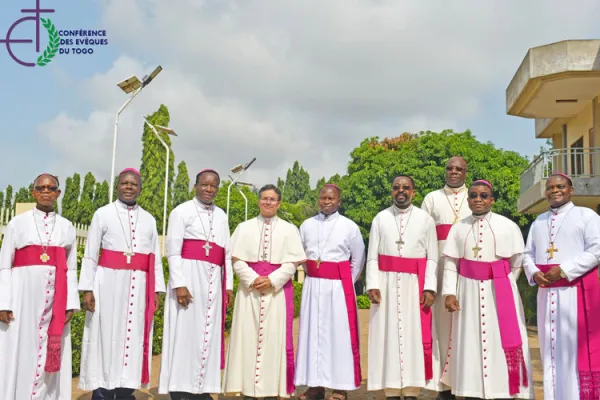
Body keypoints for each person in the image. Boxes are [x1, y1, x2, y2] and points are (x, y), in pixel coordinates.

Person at [78, 168, 166, 400]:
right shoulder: (103, 213)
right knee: (105, 334)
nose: (129, 187)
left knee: (134, 336)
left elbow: (154, 257)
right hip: (107, 283)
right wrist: (87, 288)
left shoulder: (149, 219)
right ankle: (103, 392)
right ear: (117, 186)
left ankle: (126, 391)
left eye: (133, 184)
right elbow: (90, 254)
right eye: (124, 183)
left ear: (140, 188)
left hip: (138, 286)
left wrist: (156, 290)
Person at [441, 180, 533, 399]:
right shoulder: (459, 227)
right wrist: (449, 292)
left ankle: (502, 389)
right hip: (467, 291)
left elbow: (517, 260)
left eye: (483, 196)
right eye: (473, 195)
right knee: (470, 339)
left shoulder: (508, 225)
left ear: (492, 200)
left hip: (499, 291)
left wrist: (503, 281)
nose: (478, 199)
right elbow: (451, 263)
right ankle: (472, 390)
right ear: (468, 199)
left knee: (499, 338)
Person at [222, 184, 307, 400]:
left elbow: (292, 262)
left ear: (279, 203)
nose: (268, 202)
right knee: (246, 339)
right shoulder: (243, 227)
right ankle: (247, 389)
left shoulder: (290, 229)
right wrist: (252, 279)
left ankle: (271, 389)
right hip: (249, 292)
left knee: (274, 341)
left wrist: (272, 280)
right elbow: (236, 259)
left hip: (276, 294)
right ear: (258, 201)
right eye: (264, 198)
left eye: (272, 199)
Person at [0, 174, 79, 399]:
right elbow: (3, 266)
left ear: (58, 193)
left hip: (56, 302)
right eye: (41, 187)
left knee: (48, 353)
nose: (46, 191)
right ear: (33, 192)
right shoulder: (17, 224)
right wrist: (3, 303)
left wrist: (70, 302)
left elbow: (71, 268)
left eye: (51, 188)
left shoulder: (67, 227)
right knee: (21, 351)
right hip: (22, 301)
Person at [523, 173, 600, 400]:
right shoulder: (539, 221)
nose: (555, 190)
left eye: (560, 186)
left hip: (575, 292)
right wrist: (535, 273)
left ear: (570, 189)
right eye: (550, 187)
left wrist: (564, 269)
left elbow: (596, 250)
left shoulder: (587, 216)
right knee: (549, 350)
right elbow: (528, 254)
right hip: (546, 294)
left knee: (573, 350)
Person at [159, 169, 234, 400]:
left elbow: (227, 254)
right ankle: (180, 389)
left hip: (213, 282)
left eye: (213, 186)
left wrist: (228, 285)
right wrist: (179, 284)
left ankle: (202, 387)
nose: (209, 189)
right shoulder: (181, 211)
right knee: (184, 335)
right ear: (195, 186)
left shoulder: (222, 215)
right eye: (204, 185)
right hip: (189, 281)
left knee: (208, 334)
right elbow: (172, 251)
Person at [366, 175, 441, 400]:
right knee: (386, 335)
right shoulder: (380, 218)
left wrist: (430, 287)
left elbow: (432, 258)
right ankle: (390, 390)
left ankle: (411, 390)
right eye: (397, 187)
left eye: (406, 188)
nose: (401, 191)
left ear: (413, 192)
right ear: (391, 191)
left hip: (414, 286)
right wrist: (372, 284)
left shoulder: (425, 219)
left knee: (413, 337)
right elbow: (372, 256)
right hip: (385, 285)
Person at [295, 184, 366, 400]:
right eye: (323, 198)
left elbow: (358, 258)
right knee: (312, 335)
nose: (327, 202)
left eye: (331, 198)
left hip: (338, 287)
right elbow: (300, 254)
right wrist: (314, 274)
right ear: (318, 199)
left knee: (338, 337)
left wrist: (343, 281)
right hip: (313, 285)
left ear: (339, 201)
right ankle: (315, 386)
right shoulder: (307, 225)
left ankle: (340, 387)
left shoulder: (349, 226)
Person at [421, 156, 470, 400]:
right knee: (440, 328)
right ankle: (443, 385)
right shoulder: (432, 198)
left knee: (467, 326)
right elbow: (423, 236)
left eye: (458, 169)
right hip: (440, 270)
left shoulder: (474, 197)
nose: (453, 172)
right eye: (450, 168)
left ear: (466, 172)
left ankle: (467, 381)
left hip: (470, 271)